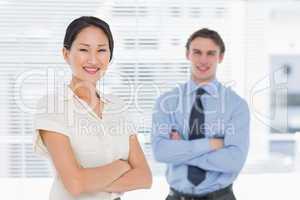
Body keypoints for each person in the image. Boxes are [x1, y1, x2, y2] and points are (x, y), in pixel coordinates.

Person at [33, 16, 152, 200]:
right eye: (83, 50)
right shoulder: (52, 107)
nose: (93, 59)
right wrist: (122, 166)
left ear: (110, 56)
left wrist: (88, 181)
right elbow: (75, 184)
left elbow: (145, 177)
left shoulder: (117, 106)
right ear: (66, 54)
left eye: (102, 50)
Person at [151, 28, 250, 200]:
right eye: (197, 52)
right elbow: (161, 152)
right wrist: (212, 144)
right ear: (187, 54)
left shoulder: (237, 106)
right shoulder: (166, 102)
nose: (203, 60)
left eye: (210, 53)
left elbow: (234, 161)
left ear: (220, 57)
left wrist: (181, 150)